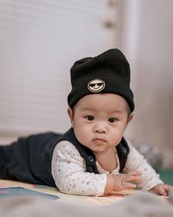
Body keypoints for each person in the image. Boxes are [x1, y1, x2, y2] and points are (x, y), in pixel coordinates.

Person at [0, 49, 172, 196]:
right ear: (71, 116)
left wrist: (153, 184)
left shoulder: (123, 147)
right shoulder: (67, 149)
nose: (100, 128)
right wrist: (110, 182)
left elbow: (139, 166)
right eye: (90, 118)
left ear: (127, 122)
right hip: (25, 155)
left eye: (112, 120)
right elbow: (68, 181)